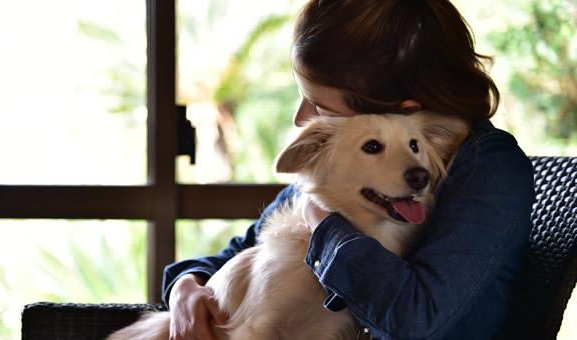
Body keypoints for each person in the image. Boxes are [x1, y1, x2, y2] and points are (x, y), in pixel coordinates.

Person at [162, 0, 535, 339]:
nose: (300, 119)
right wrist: (186, 284)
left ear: (399, 110)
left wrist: (323, 224)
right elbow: (246, 250)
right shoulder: (344, 162)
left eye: (320, 106)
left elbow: (416, 320)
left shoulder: (491, 174)